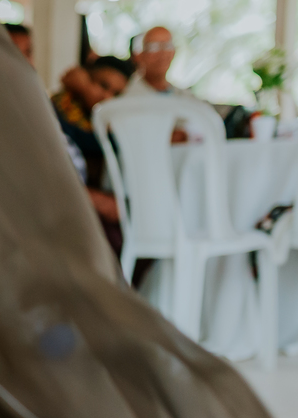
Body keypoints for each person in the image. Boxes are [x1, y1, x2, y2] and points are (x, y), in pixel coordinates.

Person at [53, 56, 134, 252]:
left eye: (116, 94)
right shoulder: (58, 109)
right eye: (102, 86)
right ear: (85, 77)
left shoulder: (108, 127)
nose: (107, 98)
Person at [125, 27, 197, 102]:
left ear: (174, 52)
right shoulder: (125, 93)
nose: (162, 54)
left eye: (167, 46)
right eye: (154, 47)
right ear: (139, 56)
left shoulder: (185, 97)